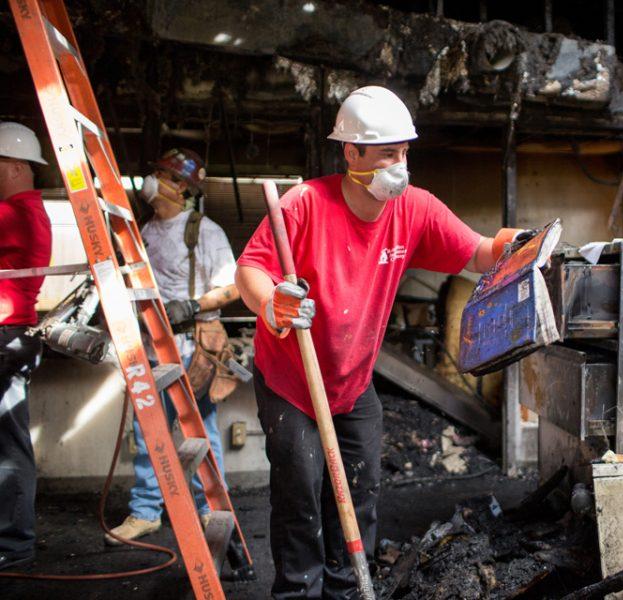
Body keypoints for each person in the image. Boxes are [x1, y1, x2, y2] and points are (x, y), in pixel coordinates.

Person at [235, 86, 534, 598]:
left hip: (352, 384)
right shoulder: (305, 203)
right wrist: (272, 303)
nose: (401, 164)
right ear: (351, 153)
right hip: (292, 382)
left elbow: (479, 252)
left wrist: (520, 245)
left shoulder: (413, 209)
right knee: (301, 495)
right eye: (387, 153)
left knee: (360, 491)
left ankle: (346, 592)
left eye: (404, 152)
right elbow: (251, 269)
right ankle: (296, 595)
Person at [106, 149, 241, 544]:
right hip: (151, 347)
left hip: (191, 350)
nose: (154, 179)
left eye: (162, 173)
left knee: (200, 432)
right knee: (148, 431)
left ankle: (209, 508)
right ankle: (146, 511)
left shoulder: (205, 231)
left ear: (182, 186)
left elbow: (233, 287)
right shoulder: (145, 232)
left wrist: (192, 305)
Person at [0, 122, 51, 571]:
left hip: (6, 335)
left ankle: (13, 543)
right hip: (13, 336)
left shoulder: (14, 212)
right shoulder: (25, 210)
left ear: (16, 166)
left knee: (9, 445)